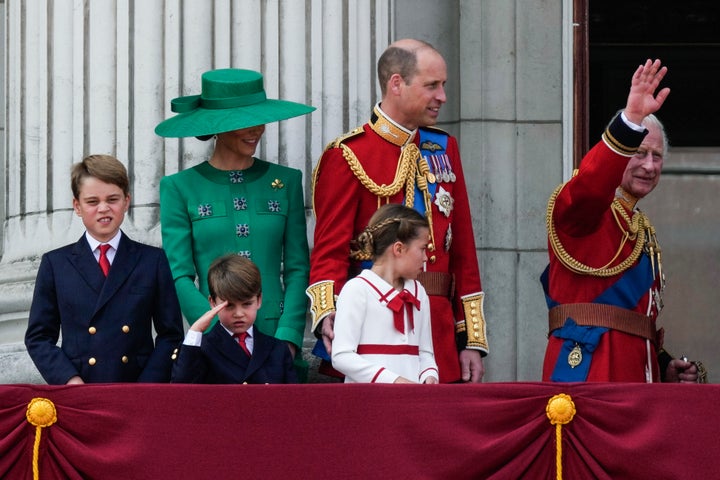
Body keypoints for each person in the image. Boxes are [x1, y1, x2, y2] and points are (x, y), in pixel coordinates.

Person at [307, 39, 488, 384]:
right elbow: (329, 250)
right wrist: (327, 312)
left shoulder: (444, 147)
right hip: (374, 329)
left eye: (443, 86)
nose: (442, 97)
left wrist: (471, 339)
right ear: (396, 84)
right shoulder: (347, 154)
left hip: (438, 332)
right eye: (432, 86)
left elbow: (463, 248)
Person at [541, 59, 700, 383]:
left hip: (636, 380)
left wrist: (662, 365)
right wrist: (631, 120)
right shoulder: (582, 211)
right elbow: (592, 185)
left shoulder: (640, 228)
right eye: (639, 153)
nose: (649, 165)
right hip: (588, 372)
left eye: (657, 156)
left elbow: (633, 324)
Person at [155, 68, 314, 381]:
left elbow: (297, 267)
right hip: (213, 353)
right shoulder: (178, 187)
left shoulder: (287, 181)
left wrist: (288, 338)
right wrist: (218, 338)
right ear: (215, 126)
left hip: (277, 343)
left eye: (260, 118)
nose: (255, 129)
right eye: (243, 121)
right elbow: (180, 275)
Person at [24, 154, 184, 384]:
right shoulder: (55, 264)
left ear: (126, 202)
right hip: (81, 389)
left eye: (112, 199)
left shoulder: (152, 260)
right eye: (92, 201)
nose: (103, 208)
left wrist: (148, 385)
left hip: (138, 389)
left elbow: (171, 334)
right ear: (77, 206)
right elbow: (39, 337)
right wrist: (69, 380)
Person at [332, 204, 439, 384]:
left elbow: (425, 353)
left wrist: (430, 375)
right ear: (398, 249)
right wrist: (394, 381)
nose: (425, 257)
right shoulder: (357, 290)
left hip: (413, 403)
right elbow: (341, 356)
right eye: (422, 249)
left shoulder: (419, 292)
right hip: (369, 403)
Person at [171, 254, 297, 384]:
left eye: (247, 304)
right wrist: (195, 331)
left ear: (259, 300)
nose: (238, 313)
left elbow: (292, 398)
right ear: (213, 303)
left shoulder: (277, 349)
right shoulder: (202, 348)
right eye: (229, 305)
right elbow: (182, 390)